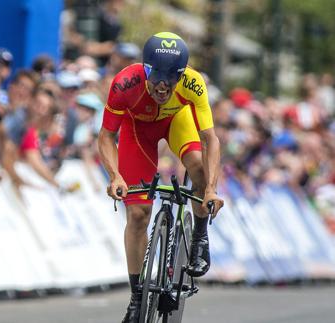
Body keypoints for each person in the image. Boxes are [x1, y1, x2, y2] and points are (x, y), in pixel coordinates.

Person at [96, 32, 224, 323]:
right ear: (145, 69)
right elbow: (106, 136)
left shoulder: (193, 83)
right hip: (138, 131)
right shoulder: (125, 83)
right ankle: (136, 297)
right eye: (157, 76)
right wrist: (115, 175)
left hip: (177, 122)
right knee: (139, 215)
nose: (163, 85)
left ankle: (199, 236)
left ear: (182, 74)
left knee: (198, 167)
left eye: (172, 76)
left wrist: (212, 189)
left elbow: (210, 140)